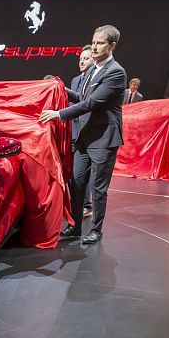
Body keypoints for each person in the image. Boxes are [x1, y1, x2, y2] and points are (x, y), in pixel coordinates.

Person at [39, 24, 126, 245]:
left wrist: (59, 114)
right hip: (84, 140)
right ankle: (75, 226)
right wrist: (59, 88)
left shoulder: (115, 72)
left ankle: (96, 230)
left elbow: (92, 103)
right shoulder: (93, 70)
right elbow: (81, 97)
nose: (95, 47)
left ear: (112, 45)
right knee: (77, 185)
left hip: (103, 140)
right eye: (94, 42)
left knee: (98, 188)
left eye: (100, 43)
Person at [69, 45, 95, 219]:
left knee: (86, 174)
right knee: (74, 173)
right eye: (80, 59)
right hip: (74, 132)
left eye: (86, 58)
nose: (82, 62)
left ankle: (86, 205)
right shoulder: (75, 80)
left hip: (90, 133)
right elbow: (73, 106)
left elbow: (87, 105)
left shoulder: (97, 79)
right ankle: (75, 206)